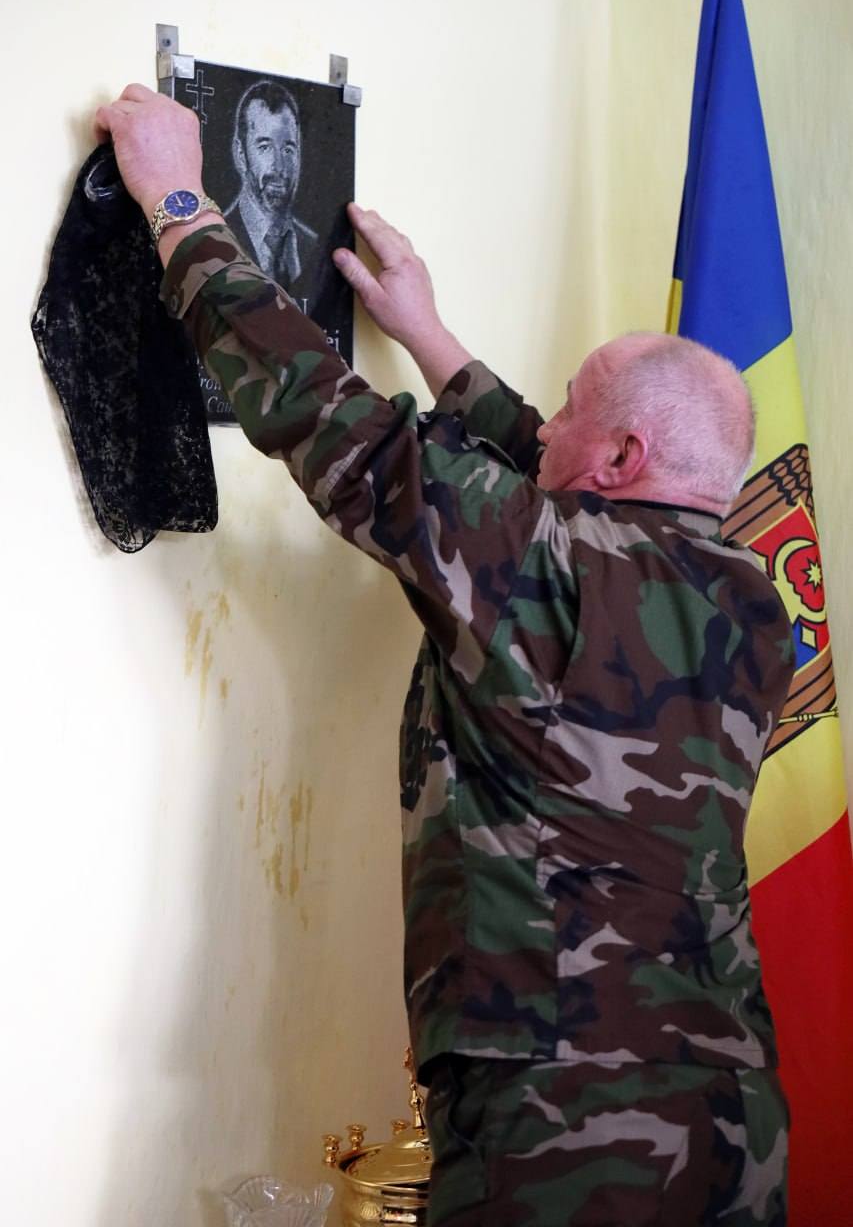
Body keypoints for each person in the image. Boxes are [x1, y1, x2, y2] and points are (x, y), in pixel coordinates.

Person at [95, 85, 794, 1227]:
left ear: (619, 454)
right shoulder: (752, 604)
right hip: (733, 1119)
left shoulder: (532, 555)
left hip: (564, 1130)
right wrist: (427, 333)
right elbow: (569, 476)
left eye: (567, 407)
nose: (543, 424)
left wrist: (180, 204)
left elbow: (327, 414)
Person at [224, 79, 318, 294]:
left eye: (288, 149)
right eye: (265, 147)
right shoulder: (215, 242)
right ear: (241, 154)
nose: (279, 167)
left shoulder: (313, 248)